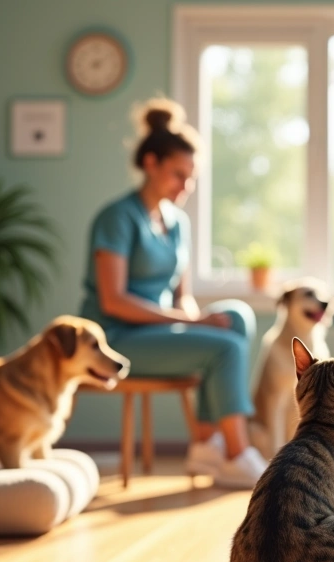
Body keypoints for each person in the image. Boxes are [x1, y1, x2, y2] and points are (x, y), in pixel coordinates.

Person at [79, 97, 266, 488]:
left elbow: (182, 296)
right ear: (151, 164)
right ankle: (236, 452)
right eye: (179, 175)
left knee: (235, 319)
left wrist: (195, 318)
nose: (187, 186)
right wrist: (191, 322)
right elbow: (114, 301)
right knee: (227, 347)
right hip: (118, 338)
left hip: (160, 331)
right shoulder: (117, 218)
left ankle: (205, 443)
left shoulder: (177, 223)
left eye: (192, 177)